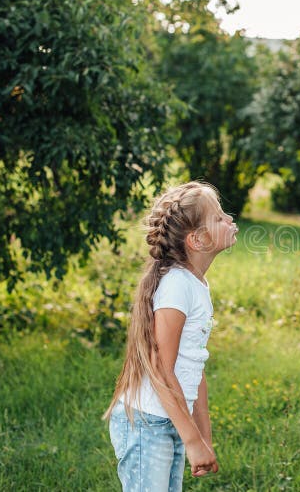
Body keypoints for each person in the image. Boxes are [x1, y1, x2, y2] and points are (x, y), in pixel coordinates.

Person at [103, 181, 238, 491]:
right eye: (218, 218)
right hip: (148, 423)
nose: (230, 219)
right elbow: (162, 368)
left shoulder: (197, 284)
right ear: (197, 240)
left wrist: (202, 435)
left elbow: (195, 367)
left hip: (171, 419)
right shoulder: (177, 285)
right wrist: (191, 439)